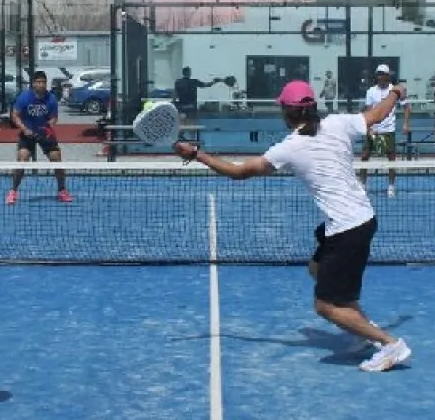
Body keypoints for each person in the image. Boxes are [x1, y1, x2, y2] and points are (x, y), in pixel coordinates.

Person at [173, 80, 413, 373]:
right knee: (317, 270)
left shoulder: (290, 148)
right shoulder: (339, 123)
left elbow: (238, 172)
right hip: (355, 220)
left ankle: (389, 344)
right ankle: (362, 330)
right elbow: (377, 114)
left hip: (348, 228)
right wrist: (397, 93)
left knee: (325, 306)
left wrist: (196, 154)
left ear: (287, 113)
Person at [6, 70, 73, 204]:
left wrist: (49, 128)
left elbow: (53, 117)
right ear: (33, 84)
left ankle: (62, 190)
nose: (41, 85)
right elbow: (15, 115)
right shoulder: (24, 97)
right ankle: (13, 191)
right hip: (27, 133)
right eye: (38, 82)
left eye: (43, 82)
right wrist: (24, 129)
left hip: (44, 134)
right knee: (22, 159)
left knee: (57, 158)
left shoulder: (51, 98)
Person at [360, 64, 411, 197]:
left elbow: (406, 107)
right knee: (364, 156)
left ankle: (391, 186)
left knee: (391, 159)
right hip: (373, 130)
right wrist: (368, 128)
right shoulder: (371, 91)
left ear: (388, 76)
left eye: (383, 74)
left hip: (388, 130)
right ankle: (363, 185)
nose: (380, 76)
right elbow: (368, 110)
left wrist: (405, 124)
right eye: (378, 74)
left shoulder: (395, 91)